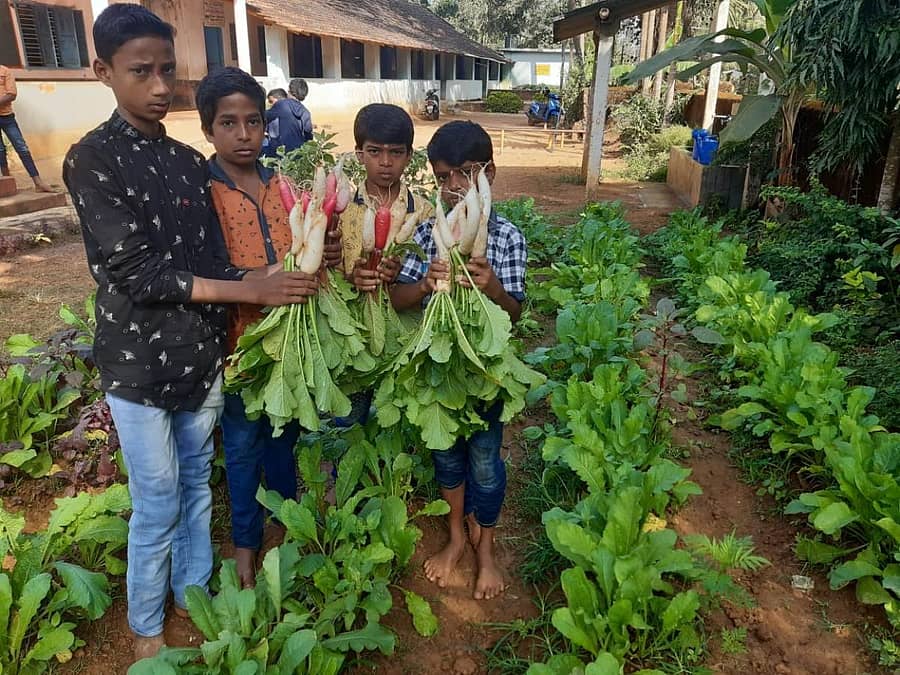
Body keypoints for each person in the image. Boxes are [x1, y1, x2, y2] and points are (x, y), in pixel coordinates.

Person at [62, 5, 318, 662]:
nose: (158, 86)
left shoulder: (184, 162)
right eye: (140, 71)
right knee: (157, 498)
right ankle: (146, 622)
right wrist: (248, 289)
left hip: (200, 353)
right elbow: (138, 272)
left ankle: (193, 594)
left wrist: (279, 273)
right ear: (103, 71)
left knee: (198, 484)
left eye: (166, 70)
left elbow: (208, 260)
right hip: (138, 364)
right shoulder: (91, 159)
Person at [390, 120, 526, 601]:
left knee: (486, 463)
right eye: (443, 177)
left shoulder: (505, 236)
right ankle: (455, 538)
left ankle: (485, 548)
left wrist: (492, 289)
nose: (453, 187)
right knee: (446, 456)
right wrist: (425, 284)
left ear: (489, 173)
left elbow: (514, 313)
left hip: (487, 370)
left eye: (466, 174)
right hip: (438, 369)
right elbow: (398, 299)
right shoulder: (431, 233)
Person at [196, 67, 308, 590]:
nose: (244, 134)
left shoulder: (280, 185)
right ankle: (246, 541)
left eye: (254, 122)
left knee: (284, 435)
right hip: (237, 342)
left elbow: (300, 250)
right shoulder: (202, 191)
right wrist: (263, 278)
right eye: (228, 123)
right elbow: (203, 267)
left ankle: (287, 521)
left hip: (289, 340)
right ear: (208, 129)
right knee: (241, 446)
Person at [335, 103, 431, 423]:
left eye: (396, 152)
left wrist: (400, 274)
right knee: (349, 419)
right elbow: (330, 272)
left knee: (400, 414)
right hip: (351, 332)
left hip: (406, 330)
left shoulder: (425, 212)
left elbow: (430, 273)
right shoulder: (342, 210)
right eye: (374, 152)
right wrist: (351, 277)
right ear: (359, 154)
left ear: (409, 156)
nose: (386, 162)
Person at [0, 64, 54, 192]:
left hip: (7, 117)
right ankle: (9, 183)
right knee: (0, 151)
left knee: (22, 148)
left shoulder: (5, 71)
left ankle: (38, 182)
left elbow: (12, 94)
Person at [261, 78, 312, 157]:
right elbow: (308, 134)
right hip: (298, 153)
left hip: (281, 152)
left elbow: (264, 117)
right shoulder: (306, 112)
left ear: (289, 91)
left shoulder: (281, 104)